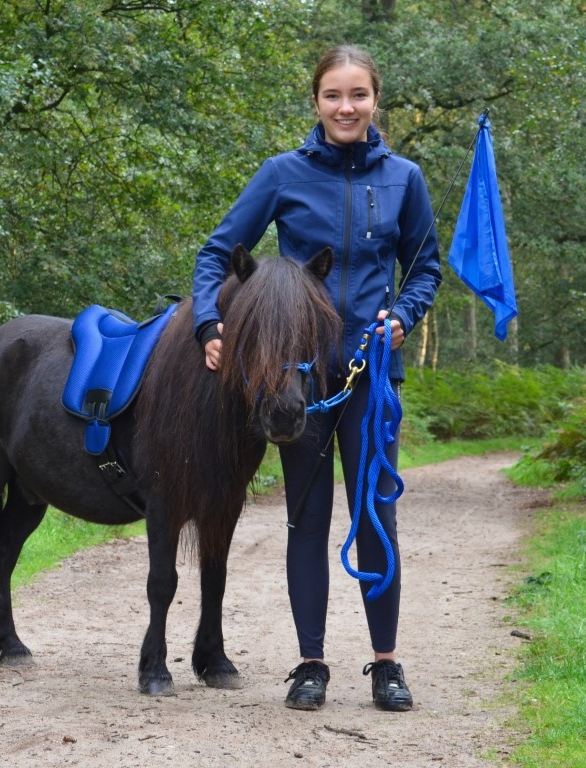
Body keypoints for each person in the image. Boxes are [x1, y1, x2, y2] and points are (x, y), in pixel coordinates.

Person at [191, 44, 442, 712]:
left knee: (375, 518)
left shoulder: (405, 179)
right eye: (333, 95)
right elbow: (217, 252)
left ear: (375, 100)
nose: (346, 107)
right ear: (316, 101)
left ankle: (386, 664)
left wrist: (403, 316)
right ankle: (311, 664)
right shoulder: (282, 174)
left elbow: (426, 267)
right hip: (296, 381)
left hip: (370, 375)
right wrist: (209, 326)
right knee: (306, 517)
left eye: (358, 95)